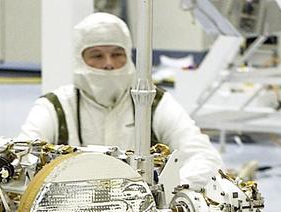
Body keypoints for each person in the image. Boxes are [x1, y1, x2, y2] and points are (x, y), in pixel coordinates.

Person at [17, 12, 223, 189]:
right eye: (97, 56)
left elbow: (204, 157)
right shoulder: (56, 107)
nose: (109, 64)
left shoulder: (152, 103)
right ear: (80, 59)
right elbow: (20, 160)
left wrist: (165, 195)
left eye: (117, 54)